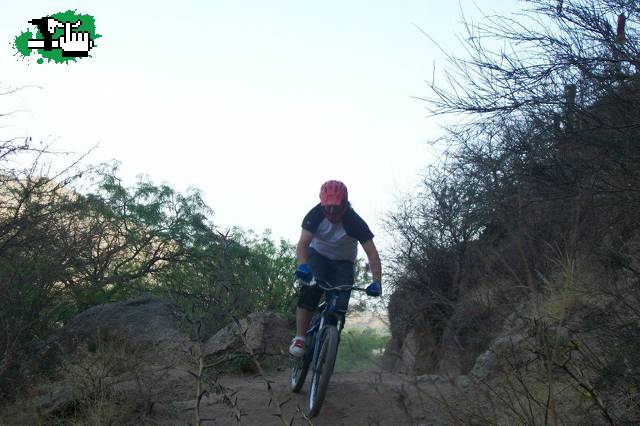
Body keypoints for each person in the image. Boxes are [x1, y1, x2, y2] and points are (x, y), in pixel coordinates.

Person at [289, 180, 382, 357]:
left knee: (340, 308)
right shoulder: (315, 214)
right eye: (328, 207)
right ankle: (300, 337)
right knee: (310, 289)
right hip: (317, 255)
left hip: (343, 263)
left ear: (345, 203)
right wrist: (303, 265)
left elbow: (372, 254)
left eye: (336, 207)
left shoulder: (354, 222)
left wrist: (376, 282)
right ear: (322, 202)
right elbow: (303, 244)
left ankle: (328, 347)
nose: (331, 211)